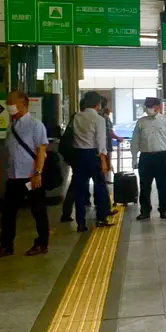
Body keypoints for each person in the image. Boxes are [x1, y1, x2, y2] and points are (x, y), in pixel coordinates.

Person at [0, 91, 50, 257]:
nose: (8, 106)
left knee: (38, 210)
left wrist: (38, 173)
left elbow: (41, 150)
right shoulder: (11, 125)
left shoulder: (35, 125)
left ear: (23, 104)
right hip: (14, 177)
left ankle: (42, 243)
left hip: (31, 176)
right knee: (8, 212)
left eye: (11, 102)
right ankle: (6, 245)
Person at [69, 91, 113, 231]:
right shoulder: (98, 119)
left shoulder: (76, 117)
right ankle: (101, 218)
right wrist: (104, 161)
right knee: (99, 186)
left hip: (78, 155)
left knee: (80, 190)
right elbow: (101, 142)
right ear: (97, 104)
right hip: (94, 155)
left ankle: (80, 223)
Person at [131, 96, 166, 220]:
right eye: (147, 107)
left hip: (162, 156)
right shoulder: (141, 122)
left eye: (151, 107)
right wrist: (134, 158)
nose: (148, 109)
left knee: (164, 185)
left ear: (158, 107)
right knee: (144, 185)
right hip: (146, 157)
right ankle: (145, 211)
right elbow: (135, 141)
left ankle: (164, 209)